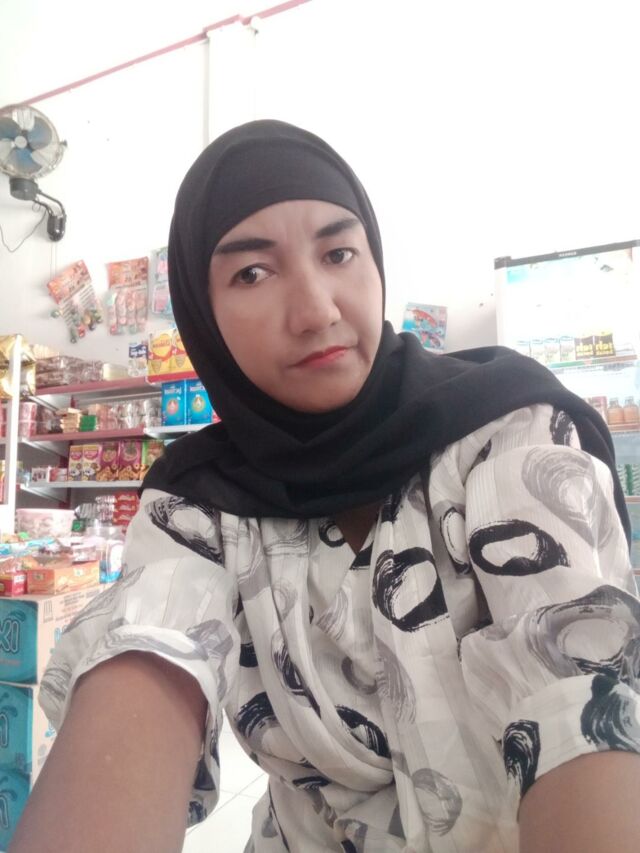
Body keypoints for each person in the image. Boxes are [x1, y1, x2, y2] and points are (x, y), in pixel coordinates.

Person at [10, 120, 640, 853]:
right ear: (202, 313)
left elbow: (582, 697)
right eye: (252, 273)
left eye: (339, 253)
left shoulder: (505, 431)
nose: (316, 311)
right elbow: (143, 665)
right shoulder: (198, 502)